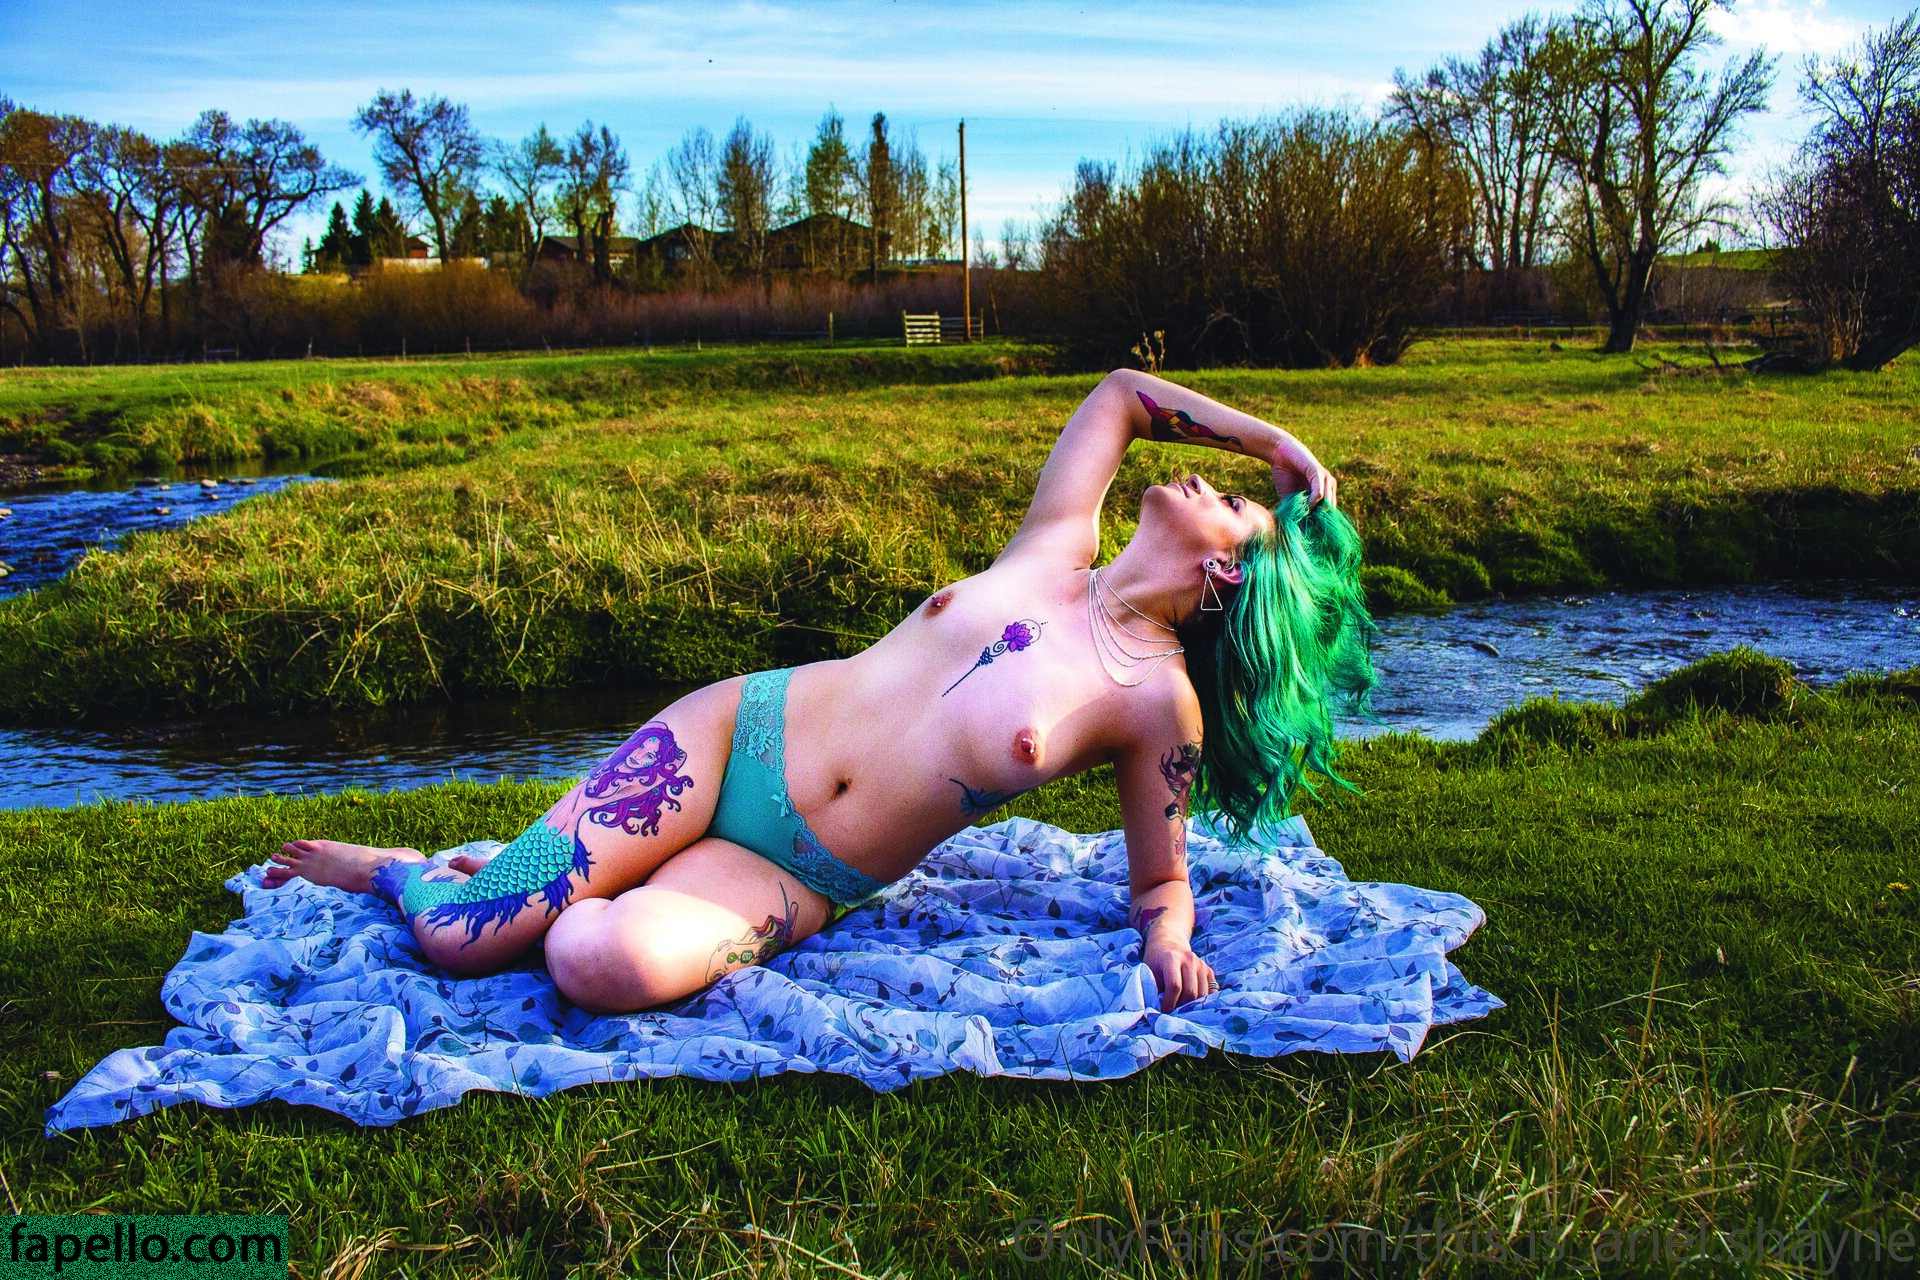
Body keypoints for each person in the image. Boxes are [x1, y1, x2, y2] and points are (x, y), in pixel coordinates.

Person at [267, 369, 1377, 1016]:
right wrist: (1272, 439)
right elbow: (1125, 396)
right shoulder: (1055, 545)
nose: (1211, 478)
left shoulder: (1159, 705)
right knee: (462, 939)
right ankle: (404, 871)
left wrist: (1167, 941)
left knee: (596, 962)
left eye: (1236, 501)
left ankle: (550, 875)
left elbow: (1161, 875)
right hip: (733, 736)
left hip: (796, 871)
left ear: (1231, 573)